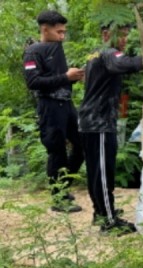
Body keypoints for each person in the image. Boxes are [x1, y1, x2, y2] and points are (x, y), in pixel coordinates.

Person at [79, 23, 143, 234]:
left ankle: (102, 213)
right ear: (105, 34)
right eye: (120, 35)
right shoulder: (108, 53)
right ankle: (109, 223)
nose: (124, 40)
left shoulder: (95, 55)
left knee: (97, 172)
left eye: (125, 35)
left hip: (92, 122)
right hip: (99, 123)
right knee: (104, 173)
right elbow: (121, 65)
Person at [23, 10, 85, 213]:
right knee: (56, 150)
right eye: (59, 32)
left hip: (66, 104)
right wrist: (66, 77)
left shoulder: (57, 47)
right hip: (49, 106)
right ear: (45, 29)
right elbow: (33, 82)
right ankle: (58, 198)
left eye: (64, 32)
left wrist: (74, 77)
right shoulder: (33, 51)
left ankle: (64, 186)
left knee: (81, 145)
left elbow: (60, 76)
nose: (62, 36)